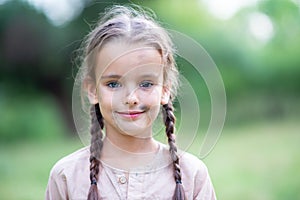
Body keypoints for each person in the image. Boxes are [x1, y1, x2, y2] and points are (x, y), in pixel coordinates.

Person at [45, 5, 217, 200]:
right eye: (113, 84)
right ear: (93, 90)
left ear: (165, 90)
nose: (131, 98)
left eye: (145, 84)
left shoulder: (193, 175)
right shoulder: (66, 176)